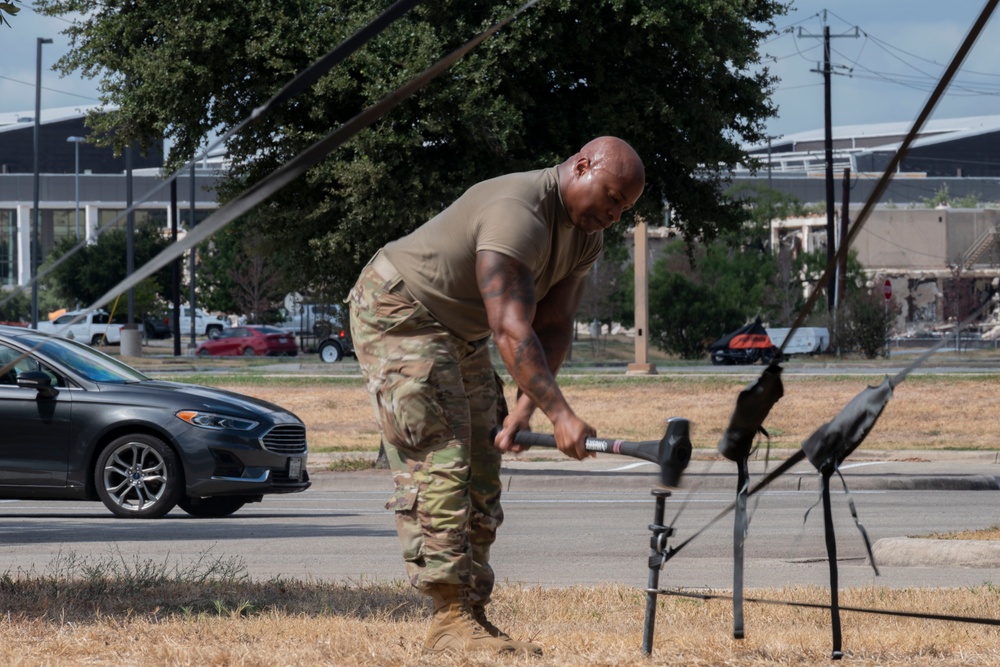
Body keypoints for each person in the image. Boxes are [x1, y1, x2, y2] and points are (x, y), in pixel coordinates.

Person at [348, 136, 645, 656]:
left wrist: (526, 410)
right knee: (442, 458)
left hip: (459, 333)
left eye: (625, 207)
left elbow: (551, 326)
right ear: (582, 166)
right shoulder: (518, 213)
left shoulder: (585, 238)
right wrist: (563, 416)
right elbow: (510, 329)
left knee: (487, 458)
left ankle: (471, 612)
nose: (615, 214)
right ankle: (447, 619)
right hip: (401, 311)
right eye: (612, 196)